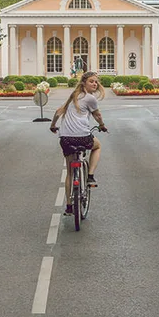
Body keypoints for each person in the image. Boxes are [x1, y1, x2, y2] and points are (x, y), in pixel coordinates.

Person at [50, 71, 108, 215]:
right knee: (98, 146)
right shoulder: (90, 98)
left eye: (96, 82)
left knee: (69, 172)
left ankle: (69, 206)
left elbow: (58, 112)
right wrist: (102, 125)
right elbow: (98, 115)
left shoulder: (73, 96)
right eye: (91, 81)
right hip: (82, 137)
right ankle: (90, 176)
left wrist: (53, 125)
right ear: (84, 83)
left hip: (66, 139)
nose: (95, 84)